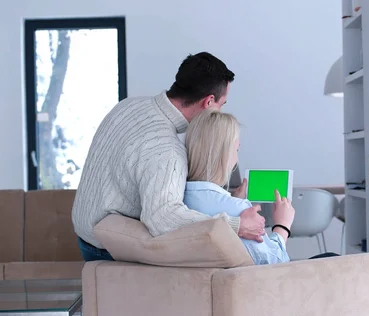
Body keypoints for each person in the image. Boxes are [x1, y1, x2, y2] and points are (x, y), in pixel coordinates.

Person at [183, 109, 369, 286]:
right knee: (329, 258)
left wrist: (232, 198)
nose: (236, 157)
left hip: (235, 282)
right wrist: (282, 225)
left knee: (328, 259)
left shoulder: (182, 202)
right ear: (225, 153)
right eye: (236, 150)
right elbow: (275, 265)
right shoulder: (237, 210)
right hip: (273, 287)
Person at [72, 52, 266, 262]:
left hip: (85, 233)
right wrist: (238, 224)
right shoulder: (167, 149)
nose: (220, 111)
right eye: (222, 104)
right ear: (208, 101)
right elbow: (163, 218)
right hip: (106, 251)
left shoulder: (129, 105)